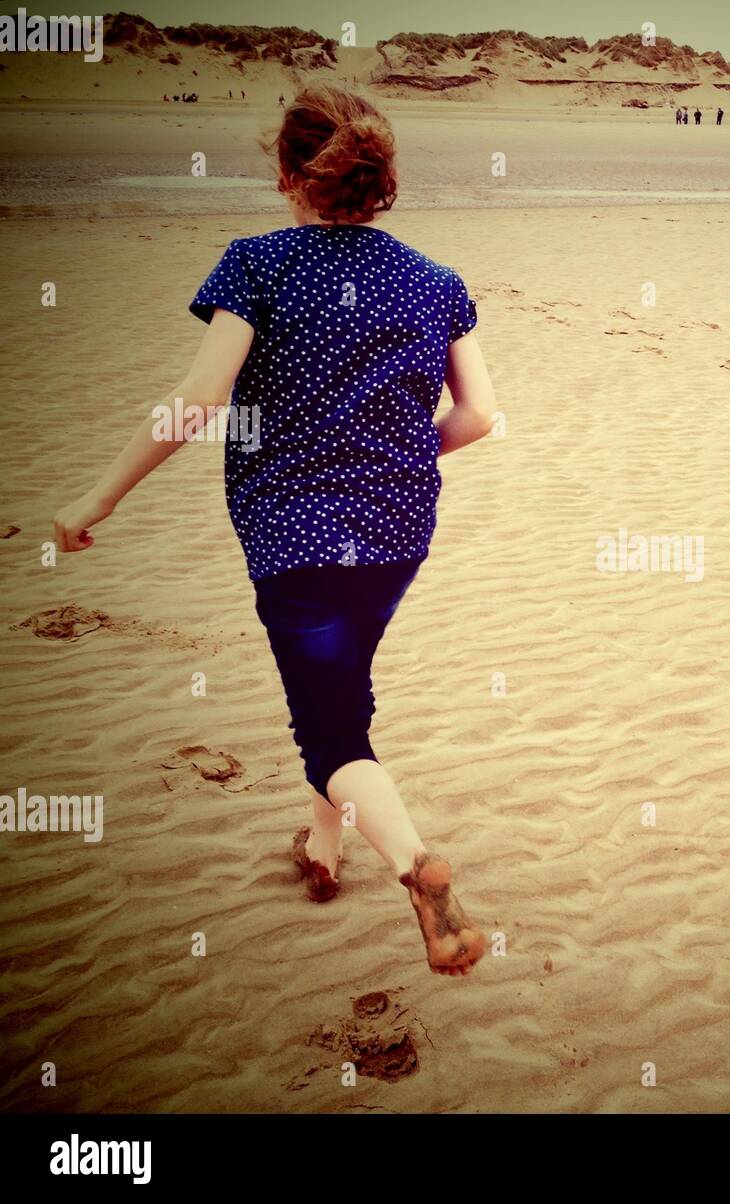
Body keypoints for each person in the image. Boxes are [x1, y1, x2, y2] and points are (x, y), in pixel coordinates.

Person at [52, 84, 495, 977]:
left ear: (289, 174)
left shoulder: (255, 265)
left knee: (328, 735)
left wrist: (97, 499)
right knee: (339, 690)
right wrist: (398, 457)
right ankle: (323, 850)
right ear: (381, 179)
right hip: (398, 531)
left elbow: (200, 404)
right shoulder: (436, 281)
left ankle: (418, 869)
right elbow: (480, 416)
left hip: (293, 538)